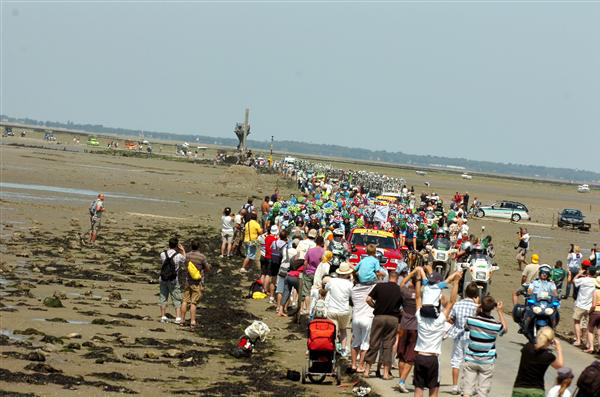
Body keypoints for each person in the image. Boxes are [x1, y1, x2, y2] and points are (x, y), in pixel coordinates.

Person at [413, 268, 462, 397]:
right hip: (432, 358)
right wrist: (456, 283)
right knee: (433, 390)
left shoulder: (419, 317)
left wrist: (418, 280)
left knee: (418, 389)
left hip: (419, 356)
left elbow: (417, 297)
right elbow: (451, 302)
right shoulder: (440, 320)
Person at [462, 296, 507, 397]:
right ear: (492, 308)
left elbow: (466, 327)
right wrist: (500, 312)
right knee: (482, 392)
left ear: (481, 306)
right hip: (487, 361)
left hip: (471, 358)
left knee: (467, 390)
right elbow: (505, 329)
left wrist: (476, 309)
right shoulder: (495, 325)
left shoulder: (471, 320)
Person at [363, 270, 404, 380]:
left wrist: (375, 306)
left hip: (379, 317)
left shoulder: (379, 286)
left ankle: (367, 371)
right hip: (393, 319)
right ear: (397, 279)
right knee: (388, 345)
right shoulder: (400, 290)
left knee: (374, 343)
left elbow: (368, 299)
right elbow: (402, 309)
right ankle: (386, 373)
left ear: (388, 277)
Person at [448, 283, 480, 395]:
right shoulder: (477, 308)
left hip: (458, 336)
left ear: (465, 293)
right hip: (471, 338)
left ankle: (455, 386)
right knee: (469, 362)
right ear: (476, 295)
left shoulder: (457, 304)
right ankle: (466, 387)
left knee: (456, 361)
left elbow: (451, 319)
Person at [512, 327, 563, 397]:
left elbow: (534, 346)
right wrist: (559, 349)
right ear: (550, 342)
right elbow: (560, 366)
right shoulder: (548, 356)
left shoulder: (527, 347)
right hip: (537, 391)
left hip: (519, 388)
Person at [323, 262, 354, 357]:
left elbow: (325, 288)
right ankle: (344, 349)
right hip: (344, 310)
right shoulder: (349, 284)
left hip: (332, 310)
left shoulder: (332, 281)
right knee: (343, 330)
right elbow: (351, 296)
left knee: (333, 330)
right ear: (348, 273)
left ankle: (332, 347)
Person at [396, 267, 419, 393]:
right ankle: (402, 381)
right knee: (410, 357)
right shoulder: (421, 294)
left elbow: (402, 283)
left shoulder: (405, 291)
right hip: (415, 327)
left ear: (412, 281)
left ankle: (401, 379)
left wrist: (412, 273)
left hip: (404, 326)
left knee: (401, 355)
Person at [181, 239, 210, 330]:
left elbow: (185, 265)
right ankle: (193, 322)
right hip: (197, 282)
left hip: (188, 280)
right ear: (199, 247)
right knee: (194, 303)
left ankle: (182, 320)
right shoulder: (202, 257)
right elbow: (207, 269)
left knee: (185, 301)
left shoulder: (188, 255)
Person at [159, 237, 186, 324]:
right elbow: (185, 260)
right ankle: (178, 317)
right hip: (173, 279)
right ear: (177, 245)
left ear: (169, 244)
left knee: (163, 297)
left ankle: (163, 316)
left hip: (163, 278)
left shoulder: (163, 254)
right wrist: (182, 250)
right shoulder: (178, 256)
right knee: (176, 297)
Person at [351, 281, 374, 373]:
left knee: (355, 342)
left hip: (356, 318)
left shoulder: (354, 289)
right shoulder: (372, 287)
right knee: (365, 343)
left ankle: (353, 365)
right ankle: (360, 366)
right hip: (367, 318)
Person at [573, 267, 596, 348]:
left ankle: (578, 340)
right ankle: (586, 342)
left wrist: (579, 274)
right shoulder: (595, 281)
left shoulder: (584, 279)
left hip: (580, 304)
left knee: (577, 322)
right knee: (587, 324)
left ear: (588, 272)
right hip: (589, 306)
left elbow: (574, 280)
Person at [302, 236, 326, 315]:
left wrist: (305, 271)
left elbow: (305, 262)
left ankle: (308, 309)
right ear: (322, 243)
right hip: (318, 274)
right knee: (319, 292)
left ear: (315, 242)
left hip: (309, 272)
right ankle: (318, 309)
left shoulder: (310, 250)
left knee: (307, 292)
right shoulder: (324, 252)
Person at [585, 275, 600, 354]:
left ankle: (591, 347)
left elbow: (593, 305)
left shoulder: (595, 292)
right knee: (599, 330)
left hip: (595, 312)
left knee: (590, 329)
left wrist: (590, 311)